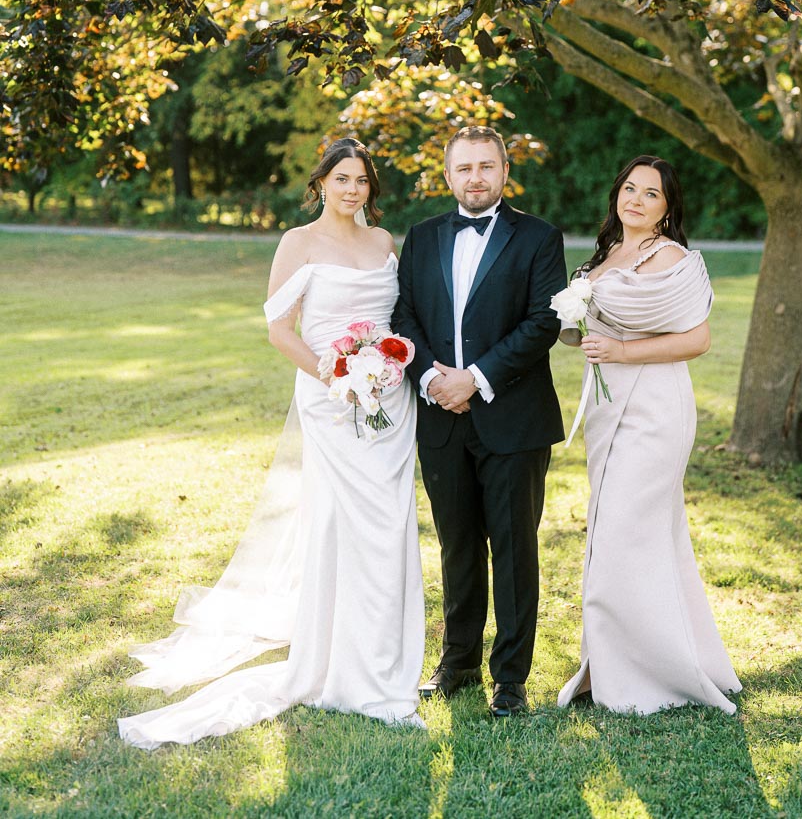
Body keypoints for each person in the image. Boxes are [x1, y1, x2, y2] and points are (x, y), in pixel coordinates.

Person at [118, 138, 425, 749]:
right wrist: (336, 377)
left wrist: (381, 375)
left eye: (361, 180)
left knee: (390, 525)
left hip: (390, 398)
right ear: (321, 183)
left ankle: (385, 658)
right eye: (342, 178)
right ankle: (336, 657)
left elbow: (397, 323)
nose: (352, 189)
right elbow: (279, 330)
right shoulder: (297, 242)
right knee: (339, 523)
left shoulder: (385, 242)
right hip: (330, 397)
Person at [556, 154, 742, 715]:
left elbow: (698, 339)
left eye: (651, 194)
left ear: (667, 208)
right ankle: (620, 662)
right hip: (608, 409)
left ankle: (640, 676)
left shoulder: (671, 258)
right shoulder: (607, 253)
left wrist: (620, 350)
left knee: (621, 534)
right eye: (630, 188)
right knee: (628, 535)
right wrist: (576, 324)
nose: (635, 200)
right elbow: (583, 333)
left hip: (655, 408)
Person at [393, 125, 567, 718]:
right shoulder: (419, 239)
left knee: (514, 550)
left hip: (513, 418)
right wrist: (433, 382)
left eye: (486, 167)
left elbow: (543, 321)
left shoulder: (539, 238)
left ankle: (511, 680)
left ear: (503, 171)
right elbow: (404, 316)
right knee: (456, 545)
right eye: (464, 168)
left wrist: (478, 378)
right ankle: (458, 663)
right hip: (440, 416)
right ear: (448, 175)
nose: (475, 178)